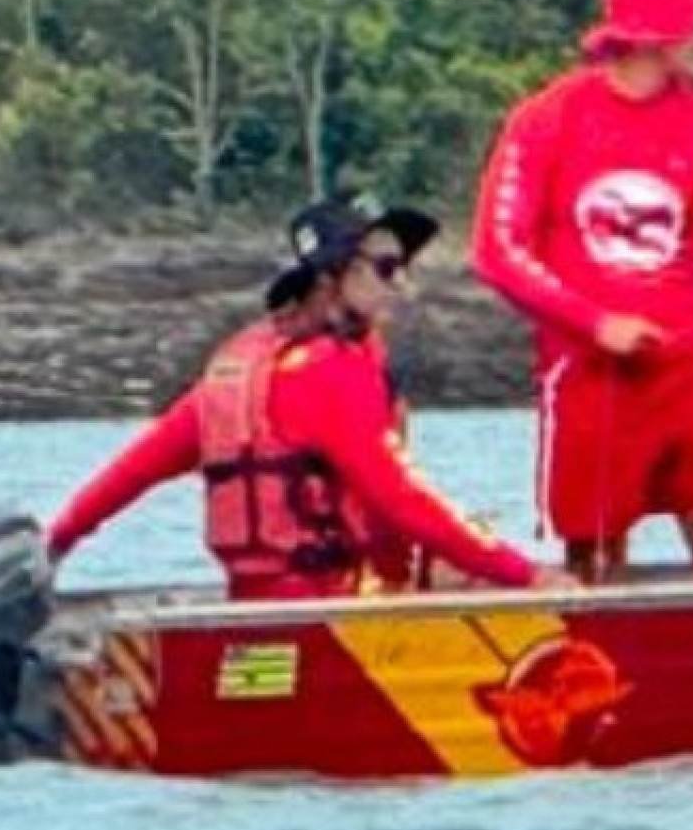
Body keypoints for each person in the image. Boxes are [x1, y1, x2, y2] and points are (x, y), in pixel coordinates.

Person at [468, 0, 693, 584]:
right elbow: (497, 249)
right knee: (596, 554)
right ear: (655, 31)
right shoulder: (547, 120)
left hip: (689, 362)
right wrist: (594, 322)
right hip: (590, 369)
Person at [45, 193, 564, 599]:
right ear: (336, 275)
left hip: (258, 603)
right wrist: (526, 575)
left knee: (453, 564)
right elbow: (403, 502)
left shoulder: (240, 371)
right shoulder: (332, 373)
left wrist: (56, 542)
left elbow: (131, 472)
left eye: (404, 265)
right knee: (482, 569)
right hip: (327, 608)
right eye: (386, 267)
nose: (401, 284)